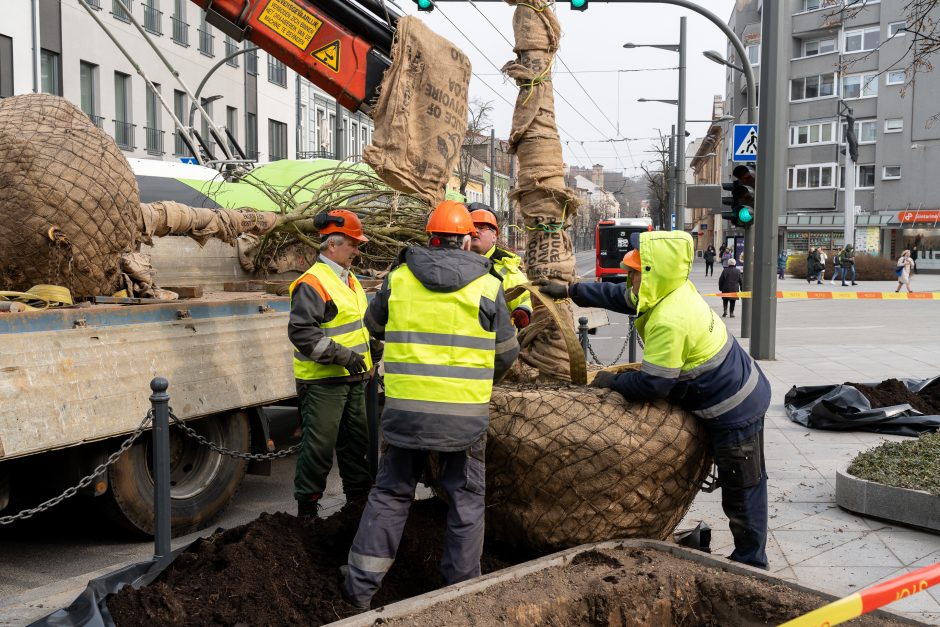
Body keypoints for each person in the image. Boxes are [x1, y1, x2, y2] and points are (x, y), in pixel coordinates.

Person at [538, 231, 771, 570]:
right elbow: (618, 295)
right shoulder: (666, 290)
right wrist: (572, 292)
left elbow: (655, 384)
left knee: (743, 486)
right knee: (745, 483)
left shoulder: (668, 317)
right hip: (737, 386)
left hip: (736, 407)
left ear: (651, 273)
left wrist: (611, 381)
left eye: (634, 270)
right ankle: (749, 556)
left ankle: (751, 564)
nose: (627, 275)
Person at [342, 200, 520, 609]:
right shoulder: (488, 285)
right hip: (464, 417)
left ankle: (359, 590)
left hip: (405, 412)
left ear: (429, 238)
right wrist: (478, 383)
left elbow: (372, 328)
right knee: (466, 501)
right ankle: (457, 596)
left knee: (390, 494)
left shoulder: (399, 279)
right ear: (466, 241)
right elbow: (508, 353)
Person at [288, 209, 380, 519]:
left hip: (354, 379)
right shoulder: (313, 283)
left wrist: (372, 348)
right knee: (319, 449)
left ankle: (357, 504)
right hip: (324, 382)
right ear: (332, 245)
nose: (357, 250)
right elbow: (303, 334)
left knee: (356, 446)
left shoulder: (348, 278)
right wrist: (344, 356)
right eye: (353, 244)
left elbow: (355, 324)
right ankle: (307, 512)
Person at [468, 202, 532, 328]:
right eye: (471, 227)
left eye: (481, 227)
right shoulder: (453, 264)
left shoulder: (506, 269)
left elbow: (526, 296)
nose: (475, 231)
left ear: (494, 236)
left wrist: (523, 310)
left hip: (495, 344)